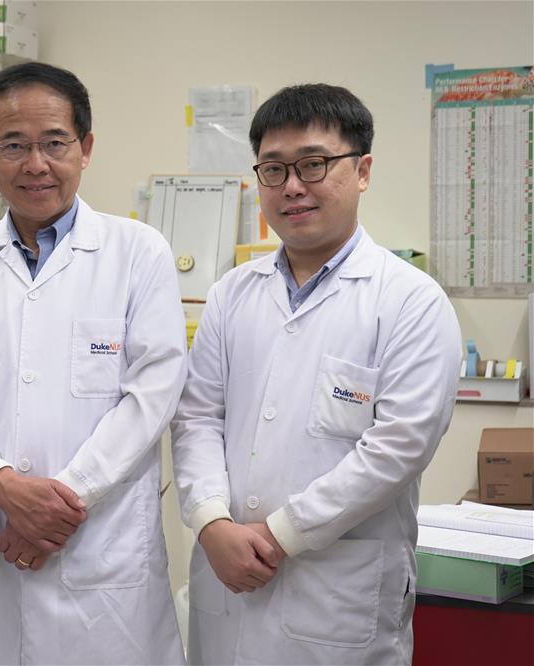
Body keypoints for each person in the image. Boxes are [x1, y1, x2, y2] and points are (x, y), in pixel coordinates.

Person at [0, 62, 187, 665]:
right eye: (14, 145)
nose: (36, 164)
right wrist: (1, 483)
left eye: (55, 143)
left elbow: (152, 394)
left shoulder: (137, 254)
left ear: (85, 147)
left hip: (98, 550)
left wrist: (60, 503)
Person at [171, 84, 461, 664]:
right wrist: (209, 520)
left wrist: (281, 534)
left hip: (337, 595)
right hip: (225, 577)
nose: (293, 186)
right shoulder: (232, 293)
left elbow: (398, 448)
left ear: (363, 171)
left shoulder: (411, 302)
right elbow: (197, 416)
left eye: (314, 164)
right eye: (273, 170)